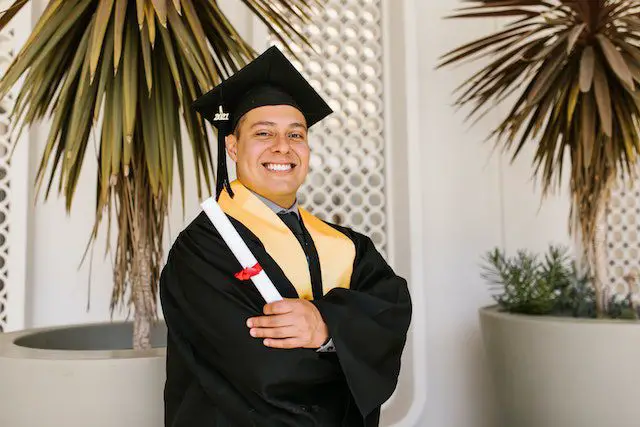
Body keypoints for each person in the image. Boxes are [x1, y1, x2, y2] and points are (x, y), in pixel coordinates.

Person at [159, 46, 412, 427]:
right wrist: (347, 345)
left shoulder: (348, 245)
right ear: (233, 145)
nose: (283, 147)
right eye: (264, 133)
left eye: (296, 134)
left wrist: (326, 325)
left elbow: (391, 309)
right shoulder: (203, 248)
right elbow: (262, 368)